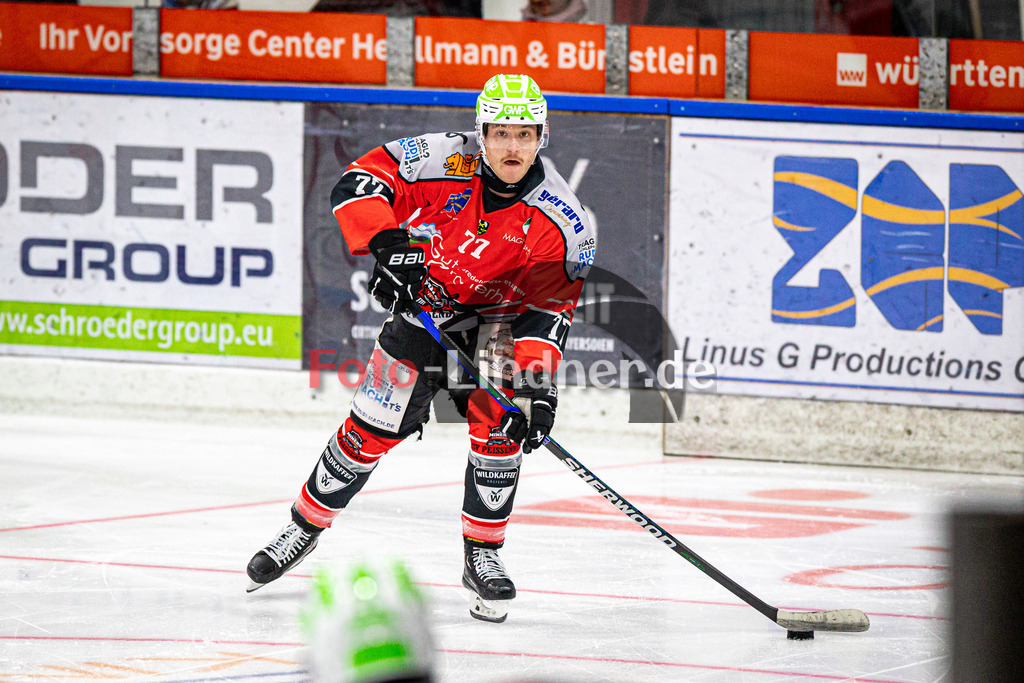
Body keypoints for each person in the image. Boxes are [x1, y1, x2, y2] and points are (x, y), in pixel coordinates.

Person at [246, 74, 594, 624]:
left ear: (542, 137)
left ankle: (483, 557)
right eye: (499, 132)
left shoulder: (565, 222)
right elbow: (360, 181)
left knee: (499, 436)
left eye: (524, 134)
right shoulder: (443, 159)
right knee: (367, 431)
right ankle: (302, 528)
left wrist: (535, 390)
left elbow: (546, 312)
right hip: (422, 318)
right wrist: (388, 245)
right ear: (480, 133)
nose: (511, 146)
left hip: (497, 333)